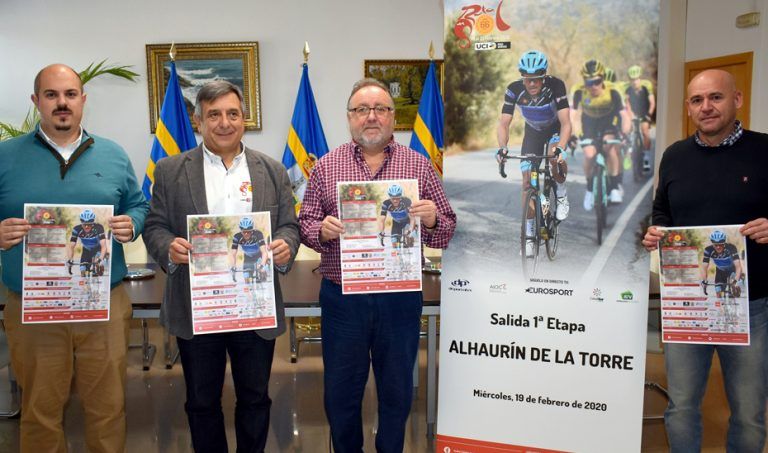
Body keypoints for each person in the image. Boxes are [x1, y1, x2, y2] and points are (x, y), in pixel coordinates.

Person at [299, 78, 456, 452]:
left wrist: (432, 218)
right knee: (340, 393)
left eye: (381, 109)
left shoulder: (419, 165)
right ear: (350, 117)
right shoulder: (326, 166)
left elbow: (446, 230)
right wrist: (321, 230)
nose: (371, 117)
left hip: (398, 299)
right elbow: (304, 224)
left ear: (393, 117)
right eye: (362, 110)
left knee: (398, 391)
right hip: (343, 300)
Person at [142, 80, 299, 453]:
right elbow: (154, 226)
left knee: (256, 399)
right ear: (198, 121)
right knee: (200, 401)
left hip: (254, 308)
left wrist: (285, 246)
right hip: (199, 308)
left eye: (232, 113)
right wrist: (169, 247)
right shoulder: (169, 170)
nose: (224, 123)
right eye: (214, 115)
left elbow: (289, 225)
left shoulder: (273, 170)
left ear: (244, 119)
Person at [0, 64, 148, 452]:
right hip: (34, 305)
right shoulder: (5, 156)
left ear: (83, 100)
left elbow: (138, 204)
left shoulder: (113, 154)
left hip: (103, 305)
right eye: (51, 95)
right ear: (37, 102)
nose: (61, 103)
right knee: (39, 409)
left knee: (108, 408)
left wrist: (129, 226)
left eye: (69, 94)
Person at [642, 69, 768, 452]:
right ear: (688, 107)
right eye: (697, 100)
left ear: (737, 100)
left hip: (750, 306)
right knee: (681, 407)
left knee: (748, 413)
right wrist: (655, 232)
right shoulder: (675, 156)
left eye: (715, 97)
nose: (706, 107)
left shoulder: (765, 150)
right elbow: (663, 212)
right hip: (688, 306)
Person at [496, 50, 572, 238]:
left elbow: (566, 123)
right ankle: (529, 233)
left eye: (536, 79)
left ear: (544, 76)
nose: (531, 83)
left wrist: (561, 148)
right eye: (527, 78)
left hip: (554, 129)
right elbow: (504, 123)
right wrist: (502, 148)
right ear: (522, 77)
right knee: (527, 181)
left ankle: (561, 194)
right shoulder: (514, 89)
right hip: (533, 133)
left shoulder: (556, 85)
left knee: (554, 155)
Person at [571, 59, 630, 209]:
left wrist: (625, 134)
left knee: (608, 147)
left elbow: (624, 116)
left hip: (608, 122)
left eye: (597, 81)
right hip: (589, 123)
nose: (593, 86)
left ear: (602, 78)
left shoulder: (613, 90)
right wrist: (572, 134)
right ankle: (590, 190)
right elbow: (573, 115)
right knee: (590, 155)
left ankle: (615, 187)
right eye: (589, 82)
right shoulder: (578, 91)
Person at [625, 64, 655, 172]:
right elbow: (627, 104)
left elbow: (652, 103)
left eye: (636, 79)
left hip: (645, 113)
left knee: (645, 131)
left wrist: (648, 115)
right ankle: (629, 151)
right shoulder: (628, 89)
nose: (634, 82)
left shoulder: (646, 86)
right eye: (632, 80)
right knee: (628, 129)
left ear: (640, 78)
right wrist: (631, 116)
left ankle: (646, 157)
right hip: (634, 114)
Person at [66, 208, 108, 277]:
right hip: (86, 249)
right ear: (81, 222)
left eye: (89, 224)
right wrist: (70, 259)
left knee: (97, 261)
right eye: (84, 224)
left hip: (98, 248)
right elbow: (71, 246)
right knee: (82, 269)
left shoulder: (99, 228)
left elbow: (104, 246)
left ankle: (99, 267)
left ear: (92, 223)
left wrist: (100, 259)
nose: (86, 226)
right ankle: (85, 286)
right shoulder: (77, 229)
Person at [700, 230, 743, 297]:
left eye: (720, 244)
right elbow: (704, 267)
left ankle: (736, 290)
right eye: (715, 245)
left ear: (724, 243)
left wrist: (736, 280)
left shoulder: (731, 248)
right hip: (720, 270)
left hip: (732, 269)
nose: (718, 247)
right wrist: (704, 280)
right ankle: (721, 306)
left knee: (736, 290)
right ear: (712, 243)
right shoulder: (708, 250)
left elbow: (738, 266)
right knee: (718, 292)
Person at [229, 216, 270, 283]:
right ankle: (249, 291)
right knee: (246, 276)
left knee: (262, 272)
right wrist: (233, 266)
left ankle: (263, 286)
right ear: (241, 230)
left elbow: (264, 252)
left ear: (252, 230)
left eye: (248, 232)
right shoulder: (237, 237)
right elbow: (233, 254)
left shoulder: (258, 234)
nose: (246, 234)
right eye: (244, 232)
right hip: (248, 257)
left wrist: (262, 265)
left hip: (259, 255)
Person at [377, 183, 416, 247]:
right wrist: (381, 232)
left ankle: (410, 241)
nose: (395, 201)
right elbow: (382, 220)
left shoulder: (406, 201)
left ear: (400, 196)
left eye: (397, 198)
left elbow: (412, 218)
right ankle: (397, 256)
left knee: (409, 238)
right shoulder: (386, 203)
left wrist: (410, 230)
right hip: (396, 222)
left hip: (407, 221)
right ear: (390, 197)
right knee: (394, 242)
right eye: (393, 198)